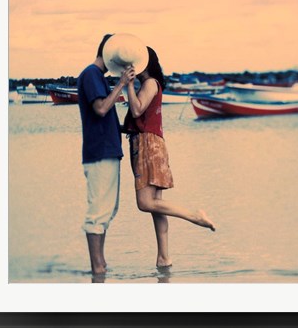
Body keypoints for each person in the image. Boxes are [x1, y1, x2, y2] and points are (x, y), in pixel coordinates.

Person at [121, 46, 216, 268]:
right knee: (156, 206)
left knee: (145, 204)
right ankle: (164, 258)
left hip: (148, 146)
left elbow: (136, 110)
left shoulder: (150, 83)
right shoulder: (151, 84)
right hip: (152, 144)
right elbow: (136, 119)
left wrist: (128, 85)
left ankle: (195, 216)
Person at [77, 34, 133, 276]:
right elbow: (100, 109)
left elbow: (103, 114)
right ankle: (97, 266)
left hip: (107, 151)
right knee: (98, 212)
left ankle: (100, 265)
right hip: (100, 152)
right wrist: (121, 84)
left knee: (108, 211)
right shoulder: (91, 74)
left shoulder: (97, 77)